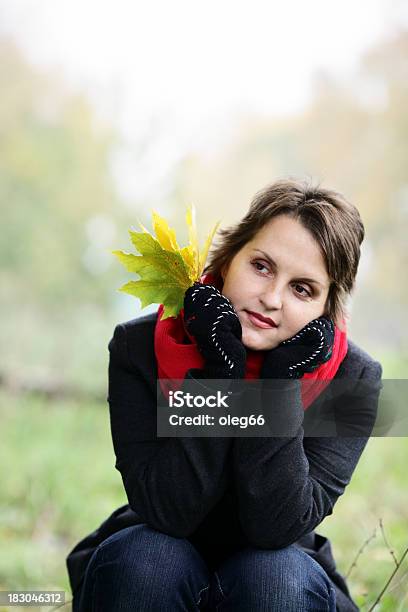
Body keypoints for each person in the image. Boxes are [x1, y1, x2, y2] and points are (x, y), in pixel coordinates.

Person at [66, 178, 382, 611]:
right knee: (146, 561)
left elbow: (276, 526)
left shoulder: (354, 378)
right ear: (230, 257)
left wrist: (278, 385)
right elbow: (169, 511)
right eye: (262, 266)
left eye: (302, 289)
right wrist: (221, 373)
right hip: (158, 549)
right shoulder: (138, 348)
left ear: (327, 309)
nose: (271, 298)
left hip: (277, 568)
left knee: (274, 579)